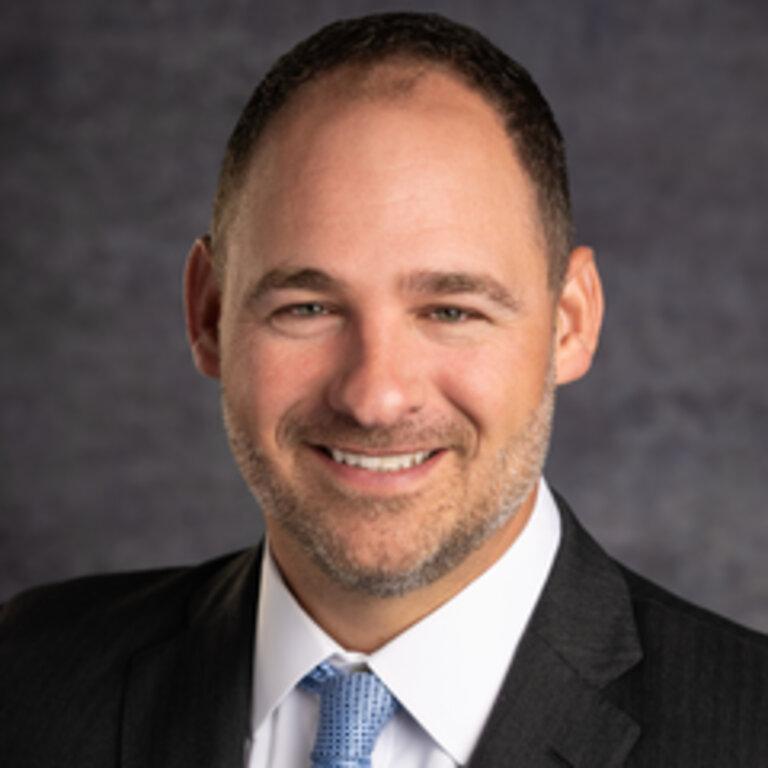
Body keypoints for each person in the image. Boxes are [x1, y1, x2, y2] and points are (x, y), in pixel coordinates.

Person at [1, 11, 767, 768]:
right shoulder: (26, 680)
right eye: (308, 308)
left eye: (451, 311)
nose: (375, 398)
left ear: (570, 323)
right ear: (208, 315)